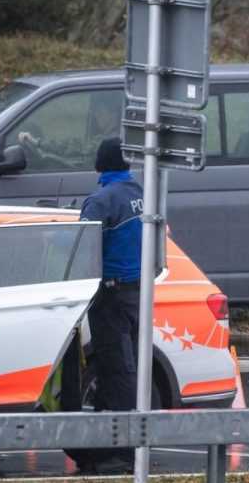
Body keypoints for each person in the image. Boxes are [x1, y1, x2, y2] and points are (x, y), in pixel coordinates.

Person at [71, 137, 144, 473]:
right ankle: (103, 446)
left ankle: (122, 453)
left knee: (117, 370)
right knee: (122, 366)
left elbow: (82, 251)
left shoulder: (100, 201)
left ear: (100, 164)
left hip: (109, 295)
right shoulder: (139, 194)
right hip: (137, 293)